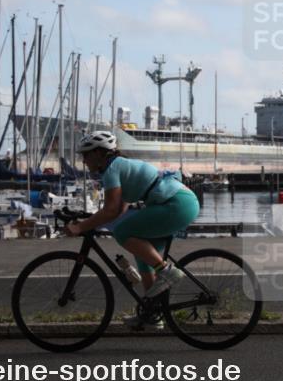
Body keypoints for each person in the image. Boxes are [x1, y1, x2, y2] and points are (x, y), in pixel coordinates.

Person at [66, 130, 199, 329]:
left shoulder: (112, 169)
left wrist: (80, 227)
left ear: (99, 153)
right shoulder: (120, 166)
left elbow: (111, 211)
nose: (83, 160)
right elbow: (119, 209)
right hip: (180, 203)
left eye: (86, 154)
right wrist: (88, 221)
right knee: (143, 257)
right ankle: (152, 313)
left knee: (122, 232)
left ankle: (166, 271)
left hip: (176, 204)